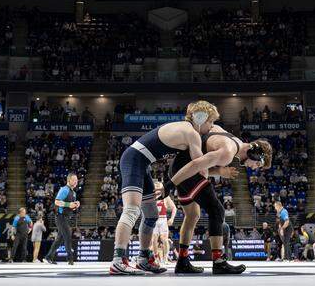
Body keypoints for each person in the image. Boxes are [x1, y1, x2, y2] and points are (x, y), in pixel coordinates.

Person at [108, 100, 217, 275]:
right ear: (200, 118)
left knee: (151, 215)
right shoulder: (192, 134)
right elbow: (201, 167)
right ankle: (118, 260)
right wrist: (219, 168)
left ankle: (143, 258)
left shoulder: (185, 128)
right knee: (131, 210)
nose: (211, 126)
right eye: (210, 121)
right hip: (134, 160)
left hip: (141, 162)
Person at [169, 120, 272, 274]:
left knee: (192, 215)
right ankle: (218, 262)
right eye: (257, 164)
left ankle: (182, 261)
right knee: (217, 210)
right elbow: (197, 165)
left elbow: (201, 160)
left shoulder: (230, 138)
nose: (253, 168)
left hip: (179, 167)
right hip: (186, 170)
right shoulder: (228, 152)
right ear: (254, 153)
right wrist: (169, 185)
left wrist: (220, 171)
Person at [46, 172, 80, 265]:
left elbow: (71, 207)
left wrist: (75, 205)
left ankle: (48, 257)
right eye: (74, 180)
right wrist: (69, 204)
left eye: (77, 180)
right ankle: (70, 259)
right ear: (69, 180)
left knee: (60, 239)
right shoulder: (64, 189)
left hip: (66, 217)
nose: (76, 182)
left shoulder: (74, 193)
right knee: (67, 235)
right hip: (60, 217)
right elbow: (56, 202)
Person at [152, 180, 176, 266]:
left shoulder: (165, 197)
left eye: (159, 185)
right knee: (154, 240)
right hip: (154, 220)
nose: (157, 186)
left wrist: (172, 219)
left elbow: (174, 208)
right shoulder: (151, 197)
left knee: (164, 239)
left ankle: (165, 258)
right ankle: (156, 258)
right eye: (156, 185)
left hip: (163, 220)